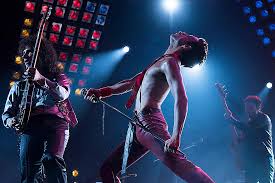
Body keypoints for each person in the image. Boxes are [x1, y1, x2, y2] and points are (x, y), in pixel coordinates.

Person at [85, 31, 215, 183]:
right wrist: (101, 92)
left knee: (180, 165)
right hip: (138, 125)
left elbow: (181, 98)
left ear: (185, 46)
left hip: (150, 123)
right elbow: (130, 83)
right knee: (108, 169)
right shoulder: (161, 61)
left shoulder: (170, 63)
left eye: (187, 35)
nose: (182, 32)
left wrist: (176, 136)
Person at [2, 35, 77, 183]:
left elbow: (62, 94)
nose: (24, 56)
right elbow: (6, 114)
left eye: (29, 52)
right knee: (29, 173)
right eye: (23, 53)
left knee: (52, 159)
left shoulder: (58, 77)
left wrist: (40, 78)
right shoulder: (19, 86)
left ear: (40, 54)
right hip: (31, 126)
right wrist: (12, 121)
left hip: (57, 124)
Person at [224, 95, 274, 183]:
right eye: (246, 107)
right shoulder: (248, 123)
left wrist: (232, 120)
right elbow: (244, 138)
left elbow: (250, 130)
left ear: (258, 107)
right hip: (252, 162)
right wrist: (236, 144)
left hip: (264, 160)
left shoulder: (264, 118)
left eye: (250, 107)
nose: (247, 110)